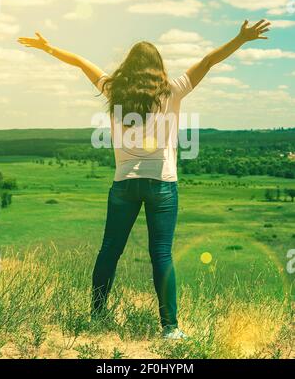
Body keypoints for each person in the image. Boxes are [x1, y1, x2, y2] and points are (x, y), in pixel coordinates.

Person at [18, 19, 271, 339]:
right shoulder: (172, 90)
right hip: (162, 184)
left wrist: (50, 48)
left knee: (109, 251)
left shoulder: (113, 88)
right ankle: (170, 328)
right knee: (161, 254)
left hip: (124, 184)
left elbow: (81, 62)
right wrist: (240, 38)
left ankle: (96, 316)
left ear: (128, 67)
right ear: (158, 68)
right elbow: (208, 61)